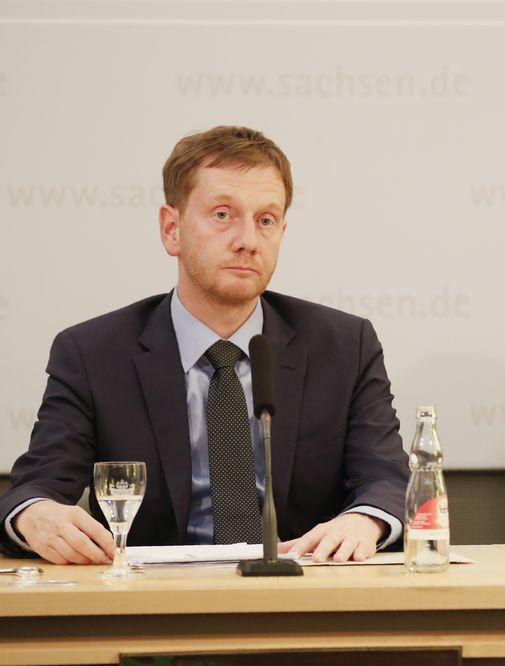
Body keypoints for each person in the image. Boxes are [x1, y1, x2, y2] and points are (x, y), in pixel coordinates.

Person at [0, 126, 409, 564]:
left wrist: (365, 521)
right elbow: (35, 487)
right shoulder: (92, 354)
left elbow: (388, 480)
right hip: (152, 608)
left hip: (303, 598)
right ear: (171, 229)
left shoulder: (344, 346)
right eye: (222, 215)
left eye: (265, 220)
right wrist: (36, 515)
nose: (248, 241)